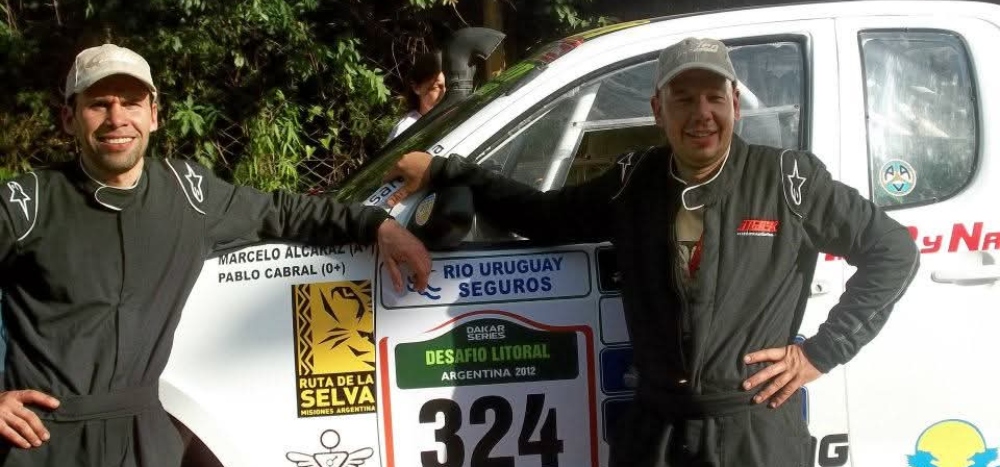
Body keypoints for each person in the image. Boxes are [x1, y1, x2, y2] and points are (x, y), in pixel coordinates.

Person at [386, 37, 919, 466]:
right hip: (656, 430)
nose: (701, 114)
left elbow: (893, 250)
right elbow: (543, 216)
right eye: (683, 99)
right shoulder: (632, 180)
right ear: (658, 110)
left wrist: (820, 353)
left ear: (734, 104)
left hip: (755, 430)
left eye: (714, 97)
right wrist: (447, 170)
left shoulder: (788, 178)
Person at [0, 43, 431, 466]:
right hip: (41, 440)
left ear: (154, 115)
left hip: (144, 439)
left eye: (131, 103)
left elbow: (282, 212)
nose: (117, 119)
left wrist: (377, 224)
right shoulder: (26, 204)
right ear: (69, 118)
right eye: (99, 104)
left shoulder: (187, 192)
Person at [386, 51, 446, 141]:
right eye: (436, 87)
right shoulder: (406, 130)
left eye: (446, 86)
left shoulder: (456, 117)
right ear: (416, 88)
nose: (443, 92)